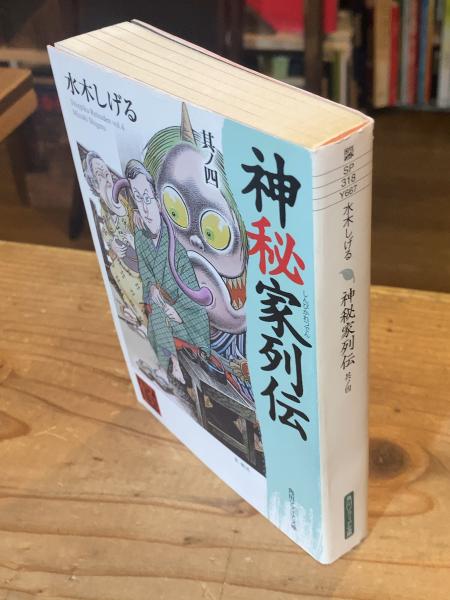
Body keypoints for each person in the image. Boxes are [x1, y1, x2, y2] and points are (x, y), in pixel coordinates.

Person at [123, 160, 211, 385]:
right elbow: (146, 276)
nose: (145, 207)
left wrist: (177, 311)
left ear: (157, 201)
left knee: (158, 317)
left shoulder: (175, 249)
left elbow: (194, 300)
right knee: (157, 314)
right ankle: (172, 364)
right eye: (138, 198)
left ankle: (168, 367)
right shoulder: (141, 238)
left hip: (186, 320)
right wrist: (152, 290)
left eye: (147, 198)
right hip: (161, 311)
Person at [83, 152, 147, 336]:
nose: (106, 177)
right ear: (95, 184)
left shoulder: (125, 202)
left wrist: (135, 238)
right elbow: (107, 240)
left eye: (106, 172)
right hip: (126, 265)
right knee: (121, 275)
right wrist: (113, 246)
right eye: (100, 175)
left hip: (141, 258)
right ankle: (144, 323)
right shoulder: (104, 211)